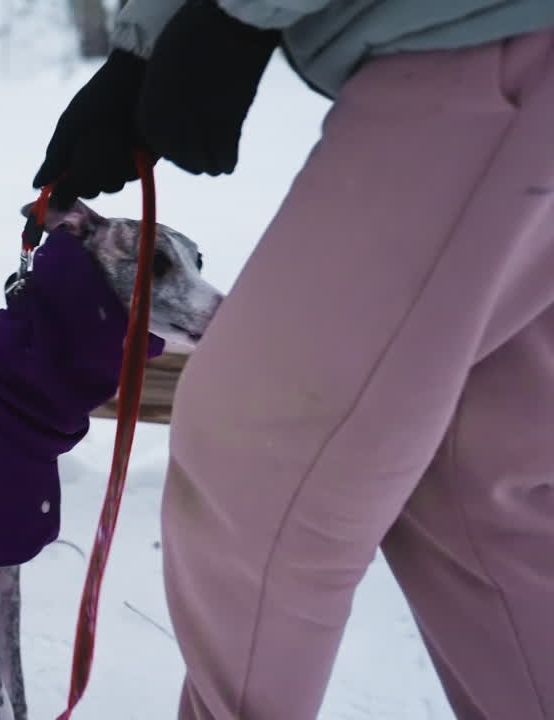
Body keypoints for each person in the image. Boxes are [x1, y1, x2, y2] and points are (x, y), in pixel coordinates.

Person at [34, 0, 554, 718]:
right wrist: (141, 51)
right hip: (487, 50)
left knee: (256, 446)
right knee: (468, 476)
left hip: (475, 44)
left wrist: (234, 13)